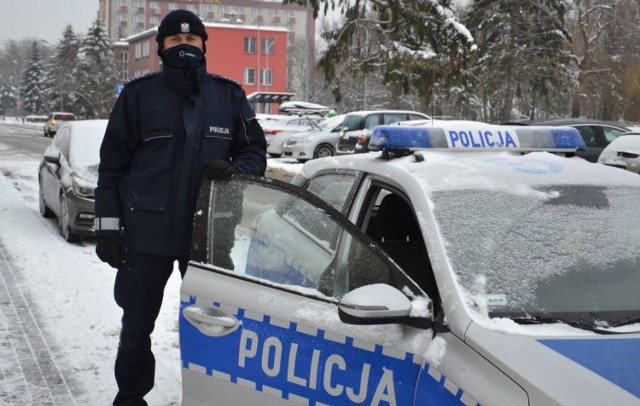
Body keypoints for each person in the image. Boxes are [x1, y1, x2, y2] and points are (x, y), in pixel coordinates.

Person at [93, 9, 266, 405]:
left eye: (191, 41)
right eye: (175, 41)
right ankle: (131, 397)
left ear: (203, 46)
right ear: (161, 49)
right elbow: (112, 167)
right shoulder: (138, 97)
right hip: (144, 238)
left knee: (215, 327)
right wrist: (107, 228)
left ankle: (216, 397)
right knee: (136, 327)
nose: (184, 47)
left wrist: (236, 169)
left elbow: (255, 150)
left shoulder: (229, 96)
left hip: (208, 237)